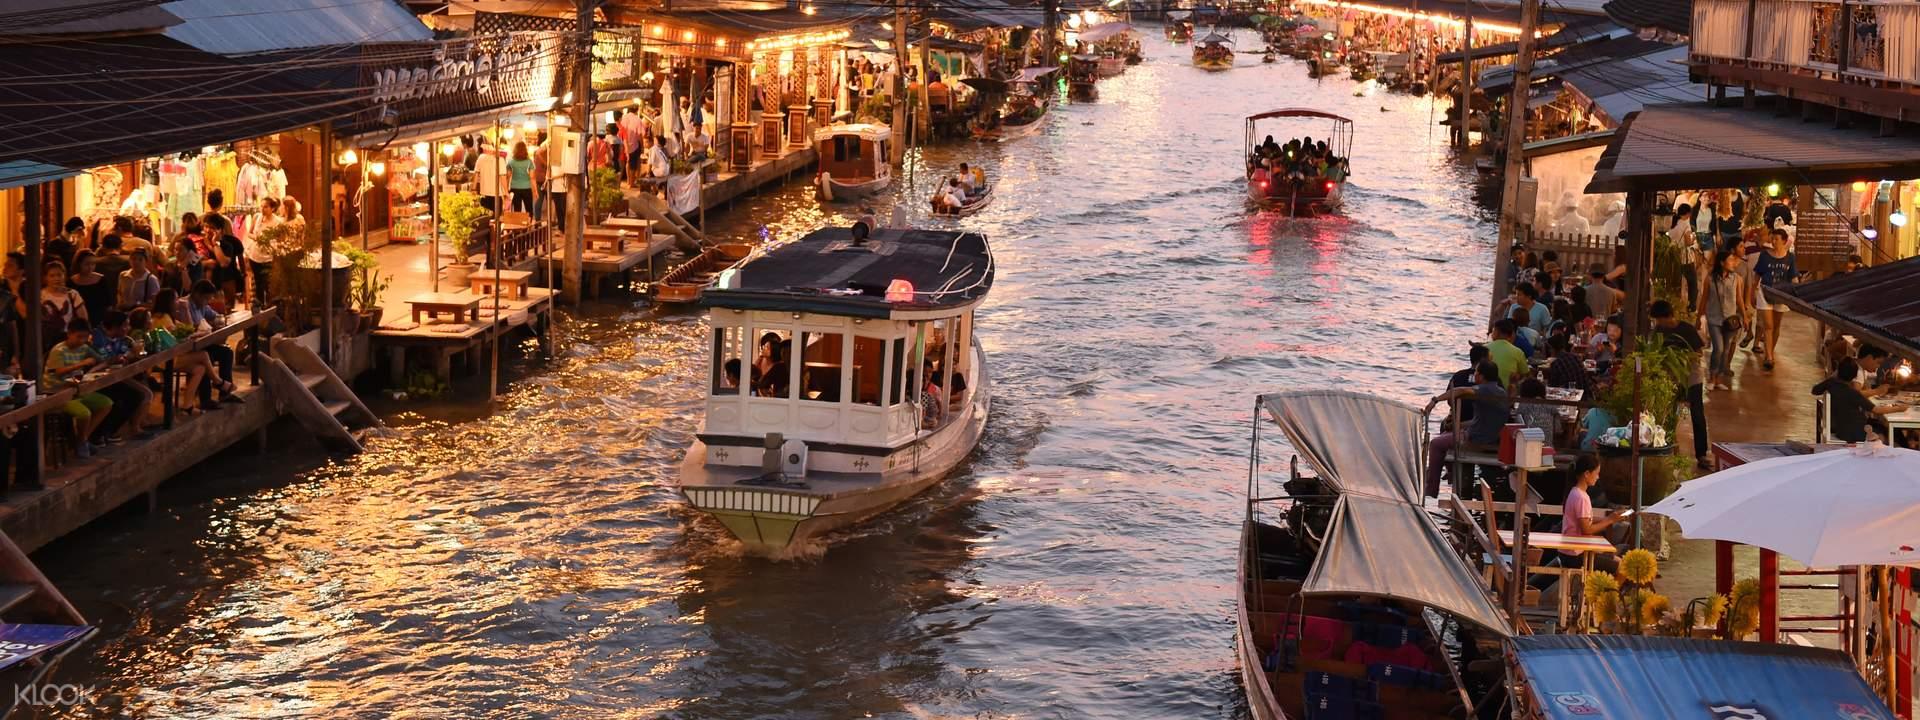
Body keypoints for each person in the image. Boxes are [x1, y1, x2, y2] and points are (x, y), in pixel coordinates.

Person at [1422, 360, 1509, 497]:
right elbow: (1481, 421)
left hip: (1476, 440)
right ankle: (1450, 473)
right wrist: (1458, 425)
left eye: (1476, 372)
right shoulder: (1501, 392)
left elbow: (1461, 390)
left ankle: (1432, 489)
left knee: (1435, 444)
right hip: (1488, 436)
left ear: (1481, 376)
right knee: (1446, 432)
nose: (1474, 375)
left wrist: (1435, 400)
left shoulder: (1484, 389)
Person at [1650, 300, 1710, 469]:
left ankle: (1702, 454)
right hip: (1671, 378)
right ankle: (1669, 449)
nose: (1657, 323)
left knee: (1697, 415)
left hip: (1691, 377)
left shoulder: (1687, 329)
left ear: (1667, 316)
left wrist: (1681, 358)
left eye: (1658, 319)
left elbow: (1698, 353)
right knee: (1668, 415)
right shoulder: (1658, 331)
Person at [43, 319, 112, 458]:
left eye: (85, 337)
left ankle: (82, 439)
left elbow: (103, 361)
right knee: (84, 413)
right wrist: (82, 364)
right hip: (56, 392)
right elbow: (59, 372)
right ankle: (81, 441)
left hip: (75, 389)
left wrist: (93, 370)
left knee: (106, 403)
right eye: (79, 337)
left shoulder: (85, 348)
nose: (82, 340)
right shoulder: (59, 350)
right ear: (69, 333)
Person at [89, 310, 154, 444]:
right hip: (97, 380)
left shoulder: (123, 338)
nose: (128, 329)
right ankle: (100, 433)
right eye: (125, 326)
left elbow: (124, 354)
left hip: (118, 376)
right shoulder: (96, 338)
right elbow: (104, 360)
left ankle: (110, 431)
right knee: (135, 395)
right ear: (115, 326)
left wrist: (131, 354)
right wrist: (121, 358)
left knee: (141, 393)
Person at [1813, 359, 1907, 443]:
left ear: (1838, 372)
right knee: (1883, 435)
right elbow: (1876, 410)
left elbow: (1815, 390)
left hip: (1840, 428)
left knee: (1879, 426)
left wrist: (1832, 377)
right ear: (1854, 376)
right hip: (1854, 432)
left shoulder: (1830, 383)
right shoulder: (1852, 393)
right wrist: (1899, 408)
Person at [182, 282, 241, 405]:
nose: (207, 302)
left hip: (202, 343)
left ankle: (224, 394)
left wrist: (218, 322)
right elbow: (189, 329)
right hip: (189, 348)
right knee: (207, 356)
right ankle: (206, 399)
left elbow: (215, 316)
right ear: (197, 295)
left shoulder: (202, 305)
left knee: (226, 352)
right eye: (206, 298)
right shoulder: (185, 305)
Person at [1697, 248, 1745, 390]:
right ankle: (1712, 376)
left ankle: (1718, 379)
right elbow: (1704, 299)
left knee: (1725, 351)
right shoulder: (1710, 279)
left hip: (1730, 320)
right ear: (1722, 262)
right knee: (1718, 348)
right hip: (1714, 319)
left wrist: (1745, 317)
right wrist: (1698, 318)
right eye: (1730, 260)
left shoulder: (1736, 279)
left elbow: (1739, 299)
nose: (1733, 263)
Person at [1751, 227, 1797, 371]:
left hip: (1782, 295)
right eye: (1773, 238)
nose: (1774, 241)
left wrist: (1796, 293)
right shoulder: (1765, 255)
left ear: (1784, 241)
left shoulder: (1790, 258)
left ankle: (1771, 351)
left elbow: (1793, 277)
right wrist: (1752, 292)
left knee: (1776, 326)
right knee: (1768, 325)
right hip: (1765, 292)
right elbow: (1757, 275)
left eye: (1777, 239)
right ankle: (1769, 356)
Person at [38, 261, 86, 347]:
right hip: (45, 341)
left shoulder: (72, 294)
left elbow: (83, 319)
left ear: (64, 276)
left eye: (59, 275)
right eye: (52, 276)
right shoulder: (40, 295)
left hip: (68, 340)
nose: (56, 278)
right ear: (45, 278)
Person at [200, 213, 244, 303]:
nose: (208, 230)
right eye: (206, 226)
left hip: (225, 283)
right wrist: (206, 263)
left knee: (226, 313)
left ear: (220, 230)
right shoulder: (199, 243)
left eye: (212, 228)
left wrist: (215, 243)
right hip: (203, 287)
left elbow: (223, 263)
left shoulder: (227, 245)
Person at [68, 251, 114, 328]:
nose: (90, 267)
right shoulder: (71, 282)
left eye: (93, 264)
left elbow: (108, 304)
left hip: (99, 320)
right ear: (79, 264)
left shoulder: (101, 280)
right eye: (86, 264)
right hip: (79, 321)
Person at [1484, 318, 1527, 387]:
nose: (1491, 334)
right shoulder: (1518, 351)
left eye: (1493, 331)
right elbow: (1524, 374)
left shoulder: (1484, 348)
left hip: (1485, 391)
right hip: (1507, 393)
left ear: (1497, 332)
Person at [507, 141, 535, 214]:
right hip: (527, 188)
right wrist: (535, 191)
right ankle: (529, 224)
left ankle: (518, 225)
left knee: (517, 210)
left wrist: (506, 190)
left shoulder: (511, 162)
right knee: (529, 209)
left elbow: (508, 176)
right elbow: (532, 177)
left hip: (514, 188)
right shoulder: (529, 162)